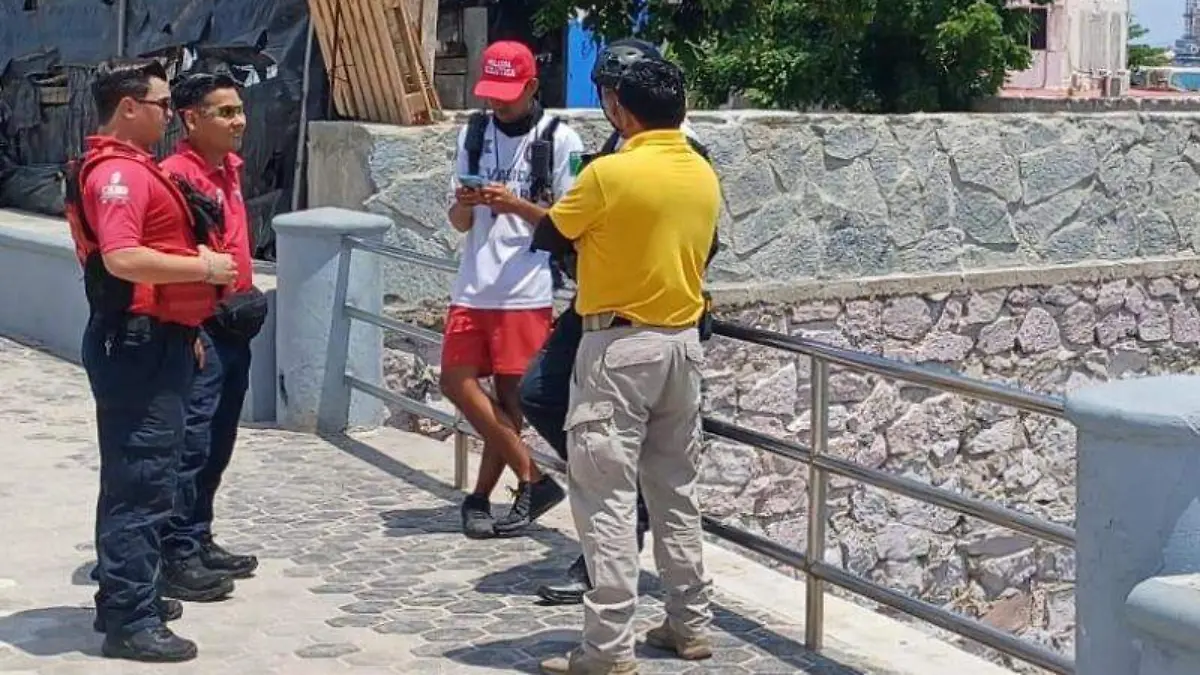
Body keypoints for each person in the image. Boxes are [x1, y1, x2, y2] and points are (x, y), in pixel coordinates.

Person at [488, 58, 721, 674]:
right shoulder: (702, 172)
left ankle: (608, 649)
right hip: (681, 346)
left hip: (616, 347)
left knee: (608, 499)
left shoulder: (609, 173)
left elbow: (553, 235)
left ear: (620, 108)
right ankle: (690, 624)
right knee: (675, 493)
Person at [65, 58, 239, 662]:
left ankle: (126, 596)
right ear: (128, 108)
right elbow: (123, 257)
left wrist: (185, 325)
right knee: (141, 483)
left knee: (141, 478)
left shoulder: (130, 168)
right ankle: (130, 621)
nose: (170, 115)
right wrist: (204, 268)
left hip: (155, 337)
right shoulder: (119, 173)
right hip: (138, 344)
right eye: (163, 105)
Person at [441, 40, 584, 539]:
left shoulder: (560, 139)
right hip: (473, 284)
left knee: (511, 401)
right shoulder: (473, 133)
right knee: (455, 381)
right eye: (491, 93)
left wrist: (515, 204)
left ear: (531, 87)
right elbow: (459, 222)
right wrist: (467, 203)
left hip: (526, 287)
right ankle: (533, 477)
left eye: (507, 94)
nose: (497, 103)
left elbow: (568, 224)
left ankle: (480, 498)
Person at [159, 72, 267, 586]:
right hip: (199, 328)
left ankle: (198, 534)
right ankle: (176, 550)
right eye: (225, 112)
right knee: (192, 442)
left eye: (239, 109)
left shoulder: (230, 170)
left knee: (219, 438)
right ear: (191, 119)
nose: (238, 121)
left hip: (233, 326)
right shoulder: (176, 177)